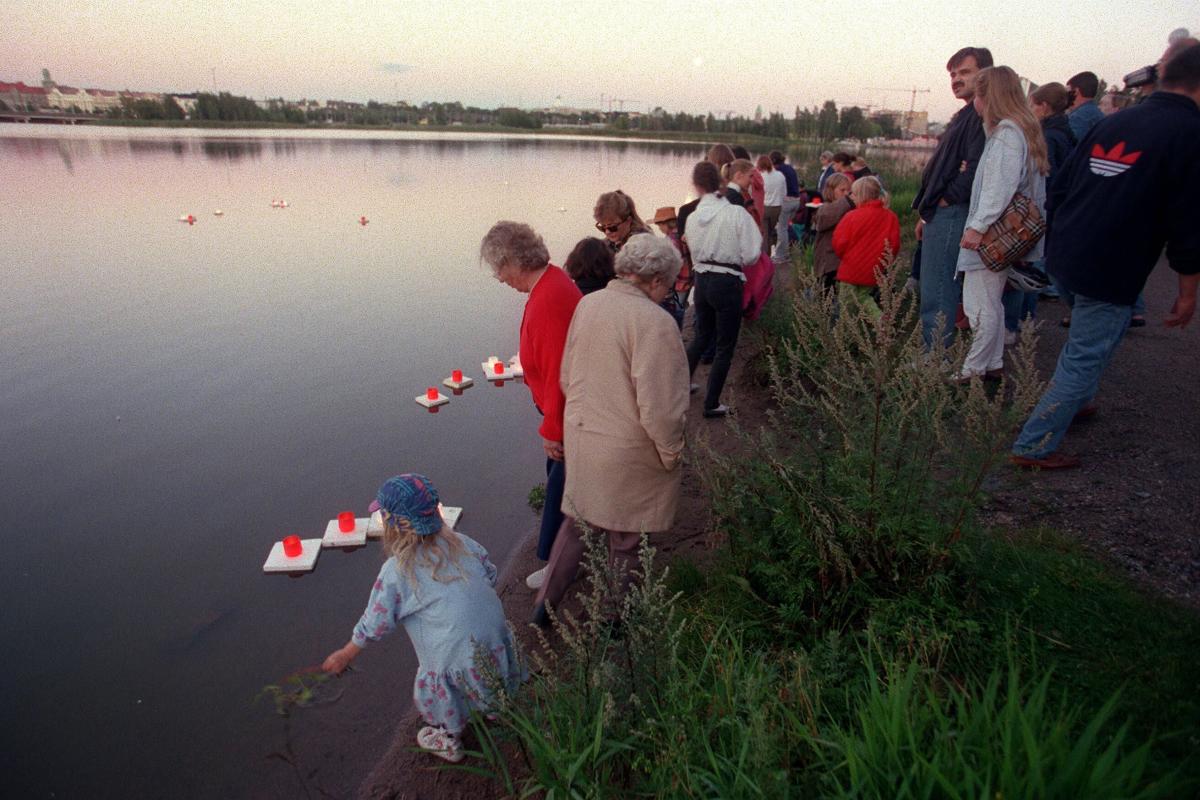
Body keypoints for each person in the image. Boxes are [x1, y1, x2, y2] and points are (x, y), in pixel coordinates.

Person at [1010, 43, 1200, 469]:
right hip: (1112, 267)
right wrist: (1188, 291)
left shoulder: (1117, 121)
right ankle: (1034, 445)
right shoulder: (1190, 134)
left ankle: (1078, 403)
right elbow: (1190, 223)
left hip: (1066, 256)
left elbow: (1060, 187)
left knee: (1092, 339)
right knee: (1085, 354)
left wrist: (1058, 238)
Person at [532, 235, 689, 625]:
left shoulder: (589, 303)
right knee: (628, 537)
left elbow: (568, 376)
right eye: (668, 283)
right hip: (629, 449)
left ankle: (542, 608)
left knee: (577, 525)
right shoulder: (655, 322)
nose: (668, 290)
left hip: (586, 438)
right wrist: (671, 451)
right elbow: (661, 404)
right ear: (654, 279)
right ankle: (612, 621)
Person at [322, 474, 524, 763]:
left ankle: (450, 736)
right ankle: (494, 708)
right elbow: (490, 574)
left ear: (392, 527)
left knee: (448, 675)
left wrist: (347, 653)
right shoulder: (463, 542)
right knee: (476, 661)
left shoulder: (397, 571)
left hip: (456, 661)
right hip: (495, 641)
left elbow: (377, 621)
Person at [480, 221, 582, 590]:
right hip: (561, 412)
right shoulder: (548, 286)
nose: (498, 277)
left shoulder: (551, 297)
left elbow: (560, 373)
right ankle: (561, 559)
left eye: (498, 267)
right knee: (563, 490)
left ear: (513, 259)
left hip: (566, 416)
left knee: (560, 493)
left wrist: (553, 431)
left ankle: (557, 567)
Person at [956, 66, 1048, 381]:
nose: (973, 102)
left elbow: (999, 187)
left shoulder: (1007, 135)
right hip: (1008, 233)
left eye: (976, 96)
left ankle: (974, 369)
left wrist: (977, 226)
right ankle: (992, 362)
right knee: (990, 299)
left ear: (987, 97)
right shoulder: (1021, 130)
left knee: (979, 302)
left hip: (993, 234)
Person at [912, 46, 993, 350]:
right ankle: (935, 354)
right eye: (953, 74)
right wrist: (927, 212)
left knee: (938, 288)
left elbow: (973, 168)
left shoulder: (979, 116)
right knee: (937, 286)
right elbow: (954, 165)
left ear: (984, 74)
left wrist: (946, 200)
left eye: (965, 72)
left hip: (952, 212)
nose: (956, 79)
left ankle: (934, 359)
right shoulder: (965, 115)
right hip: (940, 213)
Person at [684, 160, 762, 418]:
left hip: (702, 279)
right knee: (725, 345)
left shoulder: (693, 218)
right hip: (727, 280)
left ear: (696, 186)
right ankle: (712, 403)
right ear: (720, 182)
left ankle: (681, 387)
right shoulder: (736, 213)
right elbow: (752, 253)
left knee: (701, 336)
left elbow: (692, 251)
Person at [1011, 82, 1075, 335]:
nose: (1029, 110)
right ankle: (1026, 321)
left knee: (1027, 267)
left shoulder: (1047, 136)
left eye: (1032, 105)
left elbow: (1046, 176)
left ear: (1044, 107)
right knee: (1035, 264)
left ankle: (1020, 323)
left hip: (1041, 210)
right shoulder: (1067, 132)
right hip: (1056, 210)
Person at [832, 176, 900, 321]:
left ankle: (846, 334)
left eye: (853, 194)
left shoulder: (851, 216)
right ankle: (879, 320)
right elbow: (894, 245)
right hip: (875, 268)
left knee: (846, 304)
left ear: (861, 196)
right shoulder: (891, 217)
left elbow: (839, 243)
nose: (851, 197)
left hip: (851, 268)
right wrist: (884, 262)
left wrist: (844, 257)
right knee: (863, 296)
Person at [811, 172, 854, 294]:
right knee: (826, 299)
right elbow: (823, 219)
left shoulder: (847, 208)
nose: (846, 193)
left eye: (848, 191)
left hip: (842, 262)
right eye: (842, 190)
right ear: (831, 190)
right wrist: (847, 201)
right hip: (828, 263)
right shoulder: (826, 208)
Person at [771, 150, 803, 263]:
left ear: (773, 161)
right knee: (786, 227)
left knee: (781, 229)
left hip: (787, 202)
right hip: (797, 201)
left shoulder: (778, 170)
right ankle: (793, 249)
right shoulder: (789, 167)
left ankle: (781, 256)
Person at [1065, 70, 1105, 141]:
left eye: (1067, 91)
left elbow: (1072, 147)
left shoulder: (1078, 117)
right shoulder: (1099, 113)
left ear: (1076, 92)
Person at [759, 154, 785, 256]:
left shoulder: (761, 176)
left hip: (764, 207)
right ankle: (770, 254)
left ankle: (765, 257)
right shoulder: (780, 175)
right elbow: (784, 192)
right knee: (770, 233)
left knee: (765, 234)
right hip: (777, 207)